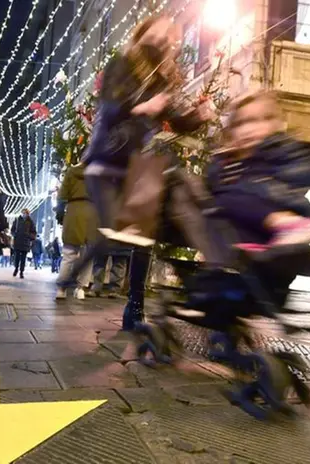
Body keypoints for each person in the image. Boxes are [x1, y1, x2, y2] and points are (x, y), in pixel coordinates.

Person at [58, 14, 207, 329]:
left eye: (172, 35)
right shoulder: (122, 65)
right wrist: (141, 108)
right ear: (145, 30)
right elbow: (109, 109)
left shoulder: (161, 78)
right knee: (120, 230)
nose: (168, 36)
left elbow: (177, 120)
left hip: (136, 163)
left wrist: (199, 116)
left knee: (145, 235)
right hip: (109, 157)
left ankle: (135, 308)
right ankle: (77, 275)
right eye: (162, 29)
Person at [206, 90, 310, 251]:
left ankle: (287, 225)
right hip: (248, 234)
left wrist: (279, 178)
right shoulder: (226, 161)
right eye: (240, 123)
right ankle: (252, 248)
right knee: (223, 201)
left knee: (228, 198)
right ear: (231, 131)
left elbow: (309, 170)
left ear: (273, 124)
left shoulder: (279, 149)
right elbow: (212, 186)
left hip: (282, 208)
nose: (247, 129)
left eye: (255, 121)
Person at [56, 164, 98, 300]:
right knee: (88, 254)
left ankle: (62, 289)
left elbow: (62, 196)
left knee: (68, 254)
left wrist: (60, 215)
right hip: (93, 213)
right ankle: (80, 288)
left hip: (74, 211)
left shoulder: (72, 172)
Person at [11, 208, 37, 279]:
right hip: (18, 241)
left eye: (26, 213)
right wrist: (14, 234)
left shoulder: (31, 222)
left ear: (28, 214)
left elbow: (34, 232)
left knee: (23, 258)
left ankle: (21, 272)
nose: (24, 214)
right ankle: (16, 268)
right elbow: (12, 230)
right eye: (23, 213)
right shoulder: (17, 220)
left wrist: (28, 235)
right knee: (16, 257)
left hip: (26, 242)